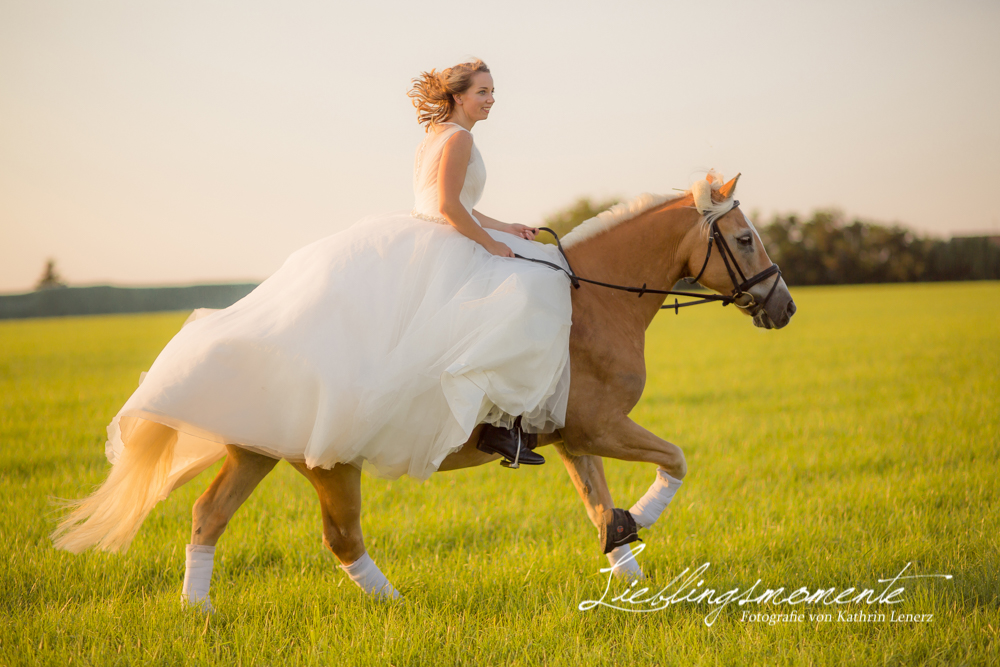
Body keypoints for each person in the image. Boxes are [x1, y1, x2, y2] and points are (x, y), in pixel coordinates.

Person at [93, 58, 575, 497]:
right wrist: (490, 245)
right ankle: (500, 425)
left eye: (493, 92)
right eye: (483, 92)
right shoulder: (461, 137)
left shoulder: (435, 135)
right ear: (458, 97)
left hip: (427, 236)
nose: (491, 100)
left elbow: (452, 204)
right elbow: (448, 207)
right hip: (441, 242)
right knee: (530, 293)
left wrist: (503, 227)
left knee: (492, 310)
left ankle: (498, 425)